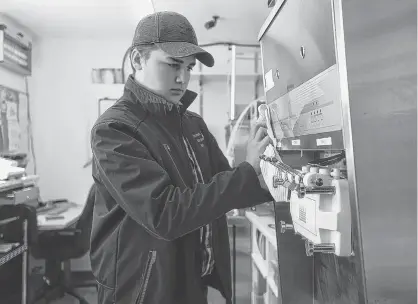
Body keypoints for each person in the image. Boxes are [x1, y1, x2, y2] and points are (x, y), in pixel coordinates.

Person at [90, 11, 272, 304]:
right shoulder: (114, 129)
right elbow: (164, 214)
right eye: (173, 65)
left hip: (191, 277)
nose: (183, 78)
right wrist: (246, 174)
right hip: (142, 288)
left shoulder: (193, 124)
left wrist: (269, 174)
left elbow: (228, 188)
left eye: (188, 67)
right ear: (138, 60)